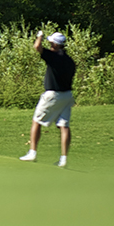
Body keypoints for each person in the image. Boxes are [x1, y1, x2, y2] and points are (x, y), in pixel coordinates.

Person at [20, 30, 76, 167]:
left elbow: (37, 47)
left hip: (52, 95)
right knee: (64, 125)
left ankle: (32, 153)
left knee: (36, 121)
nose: (50, 44)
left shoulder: (53, 56)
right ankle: (63, 159)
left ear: (56, 45)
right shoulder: (70, 61)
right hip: (67, 95)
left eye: (51, 43)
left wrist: (39, 35)